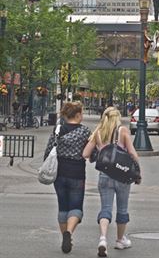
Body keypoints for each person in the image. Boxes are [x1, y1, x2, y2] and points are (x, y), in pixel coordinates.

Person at [83, 107, 141, 257]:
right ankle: (120, 240)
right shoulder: (123, 131)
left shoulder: (98, 132)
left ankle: (103, 239)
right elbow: (134, 154)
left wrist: (98, 151)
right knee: (122, 209)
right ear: (118, 117)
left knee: (106, 208)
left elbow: (85, 154)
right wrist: (136, 171)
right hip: (122, 177)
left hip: (104, 175)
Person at [43, 101, 90, 254]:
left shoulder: (57, 130)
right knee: (76, 207)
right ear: (77, 115)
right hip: (77, 173)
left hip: (59, 173)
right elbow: (92, 154)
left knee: (63, 206)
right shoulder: (85, 132)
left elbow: (48, 150)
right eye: (82, 113)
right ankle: (69, 233)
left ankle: (64, 235)